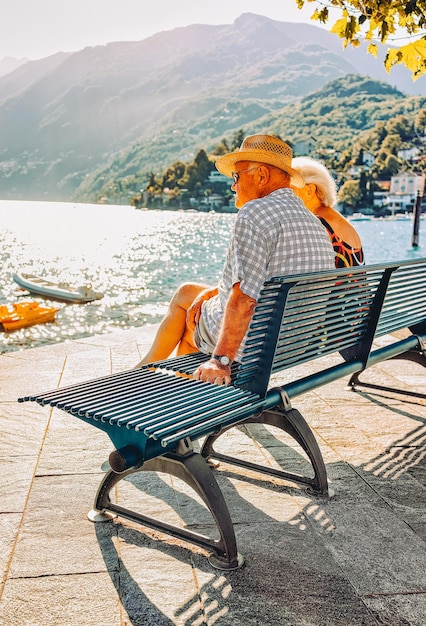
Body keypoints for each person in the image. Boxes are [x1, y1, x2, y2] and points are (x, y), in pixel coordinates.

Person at [135, 134, 336, 385]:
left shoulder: (255, 212)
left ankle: (145, 377)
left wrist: (221, 361)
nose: (233, 186)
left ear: (261, 176)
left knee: (187, 319)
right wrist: (212, 293)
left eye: (236, 177)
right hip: (293, 344)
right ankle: (162, 379)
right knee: (189, 292)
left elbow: (244, 301)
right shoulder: (313, 223)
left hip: (257, 347)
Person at [291, 157, 365, 268]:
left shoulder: (318, 222)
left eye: (291, 188)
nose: (286, 194)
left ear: (310, 190)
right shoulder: (332, 217)